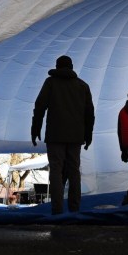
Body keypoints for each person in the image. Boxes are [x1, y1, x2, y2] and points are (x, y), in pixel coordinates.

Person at [31, 55, 95, 215]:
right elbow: (90, 114)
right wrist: (88, 135)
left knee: (56, 170)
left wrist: (35, 128)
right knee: (74, 171)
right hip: (76, 135)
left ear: (57, 66)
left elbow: (40, 106)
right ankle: (75, 209)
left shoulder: (51, 83)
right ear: (72, 67)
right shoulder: (82, 86)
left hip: (55, 134)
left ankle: (57, 209)